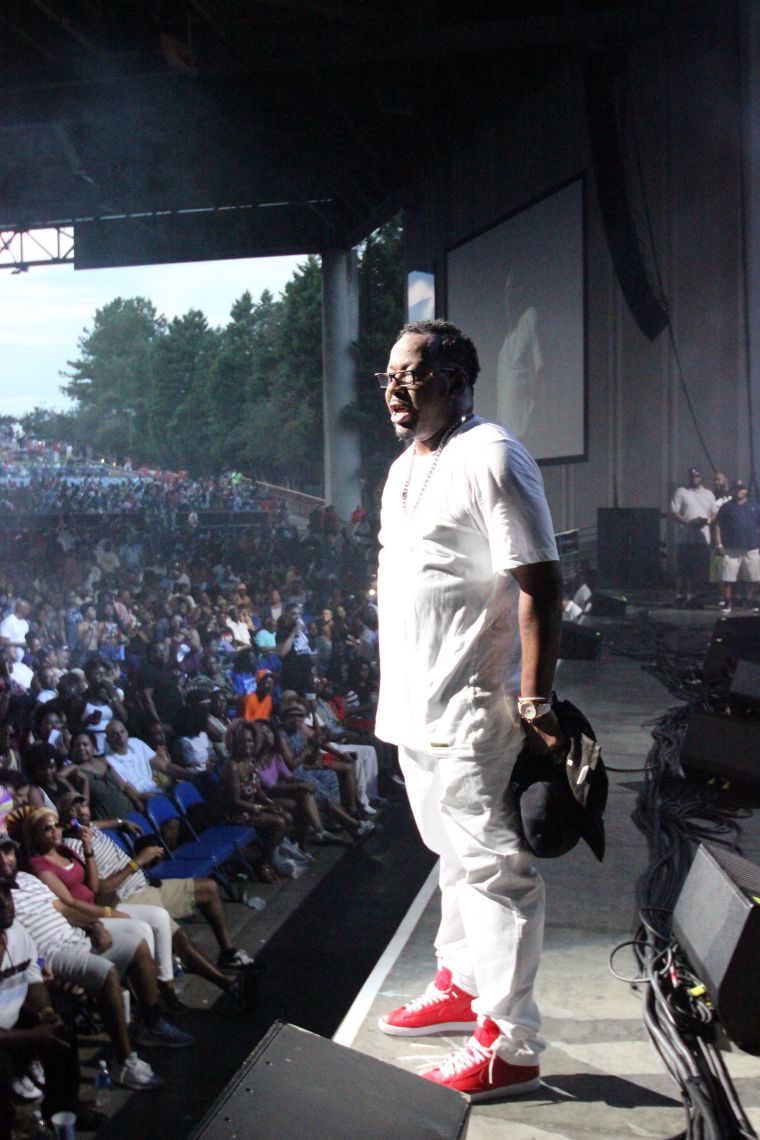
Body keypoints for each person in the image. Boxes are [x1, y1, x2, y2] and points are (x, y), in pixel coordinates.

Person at [375, 319, 563, 1101]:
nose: (393, 388)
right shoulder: (402, 466)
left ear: (454, 379)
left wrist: (536, 697)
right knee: (449, 856)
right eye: (387, 374)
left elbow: (541, 582)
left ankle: (510, 1042)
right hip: (414, 706)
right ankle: (460, 982)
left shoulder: (492, 454)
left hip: (474, 705)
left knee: (495, 871)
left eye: (410, 375)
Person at [670, 467, 716, 607]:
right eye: (692, 476)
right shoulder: (681, 491)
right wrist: (689, 523)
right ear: (689, 477)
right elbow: (674, 511)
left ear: (701, 477)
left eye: (697, 476)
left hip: (702, 538)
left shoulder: (708, 494)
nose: (694, 478)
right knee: (683, 568)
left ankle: (691, 596)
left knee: (697, 569)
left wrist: (706, 521)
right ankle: (679, 595)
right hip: (685, 537)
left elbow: (714, 513)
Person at [713, 480, 760, 613]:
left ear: (746, 491)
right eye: (736, 488)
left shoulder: (755, 506)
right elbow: (717, 526)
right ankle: (727, 602)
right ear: (732, 491)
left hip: (751, 547)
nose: (738, 491)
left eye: (741, 488)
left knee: (753, 577)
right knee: (728, 577)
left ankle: (749, 601)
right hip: (730, 548)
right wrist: (718, 543)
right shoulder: (726, 507)